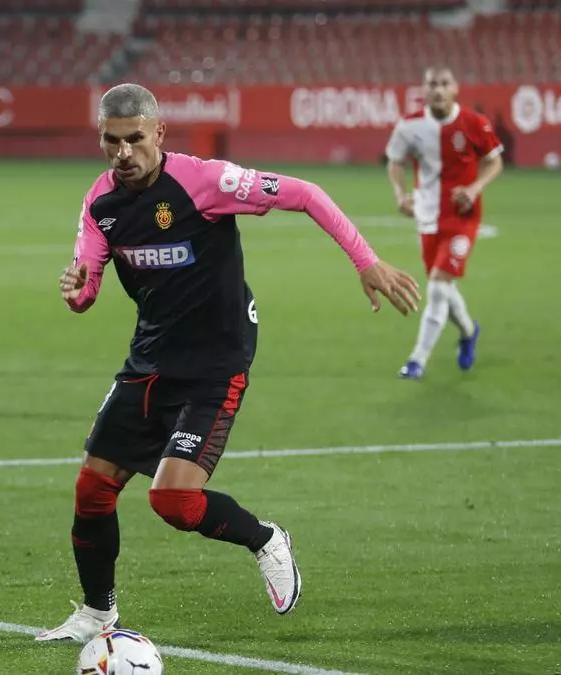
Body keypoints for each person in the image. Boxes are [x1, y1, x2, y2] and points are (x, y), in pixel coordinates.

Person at [35, 84, 421, 642]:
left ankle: (266, 540)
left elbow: (305, 194)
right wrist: (76, 290)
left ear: (159, 133)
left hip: (216, 363)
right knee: (92, 490)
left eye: (134, 139)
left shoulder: (206, 182)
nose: (123, 153)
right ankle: (98, 614)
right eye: (111, 141)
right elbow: (86, 288)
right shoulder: (100, 203)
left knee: (172, 500)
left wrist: (366, 261)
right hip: (150, 360)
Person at [386, 66, 504, 380]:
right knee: (443, 286)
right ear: (424, 90)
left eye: (444, 83)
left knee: (438, 285)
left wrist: (475, 188)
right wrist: (400, 194)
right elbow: (395, 161)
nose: (438, 89)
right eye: (432, 84)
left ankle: (417, 360)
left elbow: (494, 161)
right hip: (426, 216)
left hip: (463, 217)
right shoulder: (409, 125)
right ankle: (468, 331)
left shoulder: (474, 123)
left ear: (455, 89)